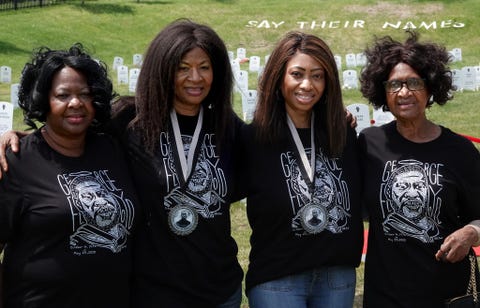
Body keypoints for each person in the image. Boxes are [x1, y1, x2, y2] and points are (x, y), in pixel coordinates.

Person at [0, 19, 244, 307]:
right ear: (163, 68)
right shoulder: (129, 120)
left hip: (219, 289)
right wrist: (21, 138)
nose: (195, 77)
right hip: (154, 291)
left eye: (204, 67)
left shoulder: (228, 127)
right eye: (182, 67)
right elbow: (67, 130)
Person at [0, 44, 138, 307]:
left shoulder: (113, 149)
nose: (76, 103)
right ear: (43, 101)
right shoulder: (16, 162)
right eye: (63, 95)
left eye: (85, 94)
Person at [238, 31, 363, 308]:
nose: (307, 85)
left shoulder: (342, 134)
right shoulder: (253, 139)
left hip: (336, 277)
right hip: (278, 280)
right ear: (278, 78)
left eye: (317, 75)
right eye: (297, 74)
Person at [358, 31, 480, 307]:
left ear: (430, 87)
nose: (404, 92)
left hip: (449, 294)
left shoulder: (459, 151)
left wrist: (471, 233)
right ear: (382, 90)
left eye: (414, 83)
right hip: (386, 294)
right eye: (394, 85)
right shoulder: (368, 143)